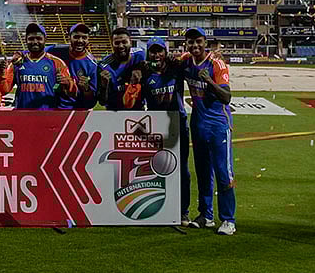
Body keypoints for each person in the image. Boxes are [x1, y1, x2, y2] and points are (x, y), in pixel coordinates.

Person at [122, 37, 193, 226]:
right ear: (148, 54)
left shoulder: (175, 68)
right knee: (156, 169)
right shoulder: (144, 72)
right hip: (155, 128)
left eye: (160, 50)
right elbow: (128, 103)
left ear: (165, 52)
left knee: (181, 170)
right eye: (153, 51)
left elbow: (191, 59)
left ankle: (183, 211)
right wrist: (133, 83)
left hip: (178, 125)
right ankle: (157, 209)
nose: (156, 55)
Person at [180, 27, 236, 235]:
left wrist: (209, 81)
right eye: (191, 42)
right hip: (198, 123)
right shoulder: (186, 60)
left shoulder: (217, 64)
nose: (195, 46)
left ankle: (229, 219)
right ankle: (206, 215)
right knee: (203, 171)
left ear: (206, 42)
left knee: (223, 173)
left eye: (199, 41)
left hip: (219, 125)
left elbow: (226, 97)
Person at [0, 23, 76, 109]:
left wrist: (68, 84)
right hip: (21, 115)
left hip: (47, 116)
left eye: (39, 38)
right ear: (26, 40)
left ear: (45, 39)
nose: (35, 42)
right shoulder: (17, 62)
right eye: (31, 39)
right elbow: (4, 90)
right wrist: (2, 73)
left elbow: (73, 93)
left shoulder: (57, 63)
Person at [46, 23, 98, 109]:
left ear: (88, 40)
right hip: (52, 108)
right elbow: (37, 50)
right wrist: (21, 53)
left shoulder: (92, 65)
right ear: (69, 38)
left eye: (84, 37)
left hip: (76, 110)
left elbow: (91, 101)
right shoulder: (56, 50)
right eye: (76, 37)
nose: (80, 40)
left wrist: (86, 88)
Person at [97, 28, 146, 111]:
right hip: (115, 113)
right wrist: (104, 86)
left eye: (124, 42)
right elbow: (102, 101)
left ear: (130, 42)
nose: (121, 46)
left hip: (138, 112)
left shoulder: (140, 55)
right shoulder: (104, 66)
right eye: (117, 43)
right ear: (112, 44)